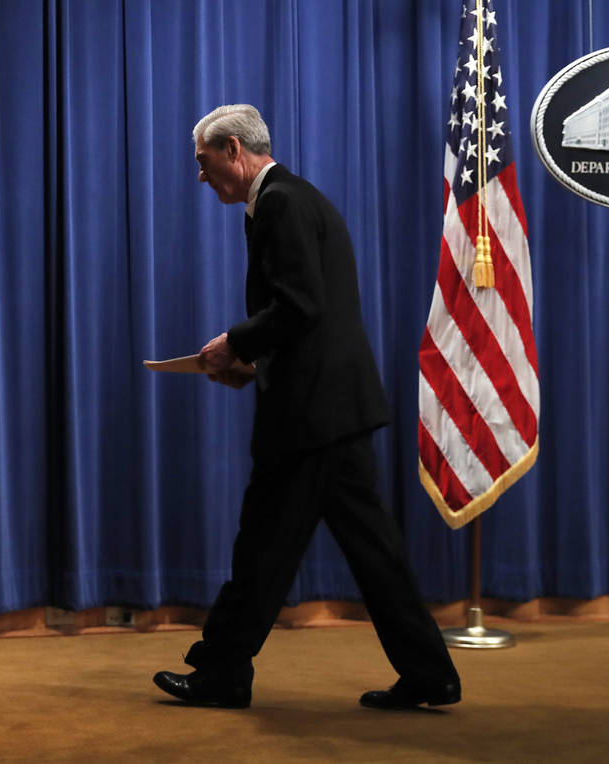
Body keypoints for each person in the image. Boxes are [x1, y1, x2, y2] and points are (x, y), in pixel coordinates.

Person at [152, 104, 461, 710]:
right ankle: (430, 674)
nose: (199, 175)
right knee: (370, 555)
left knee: (263, 548)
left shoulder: (282, 203)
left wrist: (234, 344)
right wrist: (251, 365)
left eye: (203, 161)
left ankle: (222, 671)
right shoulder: (293, 198)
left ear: (233, 149)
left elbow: (300, 306)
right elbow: (307, 316)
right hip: (329, 409)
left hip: (311, 418)